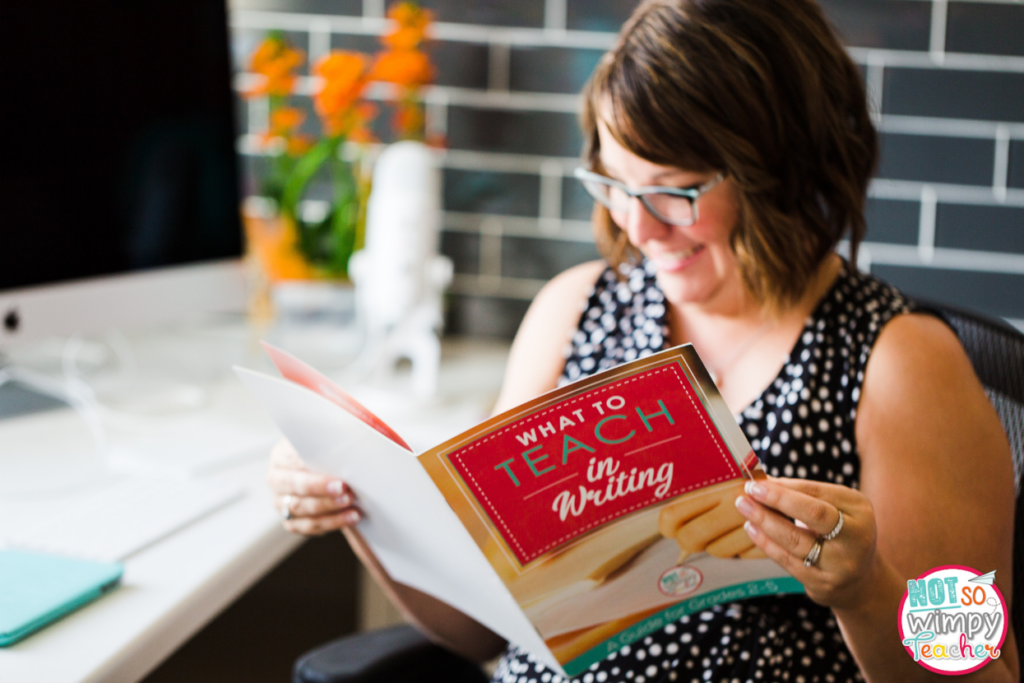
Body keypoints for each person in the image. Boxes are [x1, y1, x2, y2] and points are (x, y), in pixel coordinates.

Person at [265, 0, 1019, 680]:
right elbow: (479, 635)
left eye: (674, 191)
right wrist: (361, 508)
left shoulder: (897, 360)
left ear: (780, 171)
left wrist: (861, 589)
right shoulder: (574, 309)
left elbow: (981, 675)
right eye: (616, 186)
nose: (638, 226)